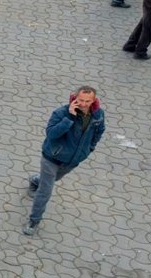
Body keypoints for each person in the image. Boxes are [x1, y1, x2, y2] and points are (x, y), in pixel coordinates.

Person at [23, 87, 106, 236]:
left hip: (73, 160)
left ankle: (35, 180)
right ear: (74, 98)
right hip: (52, 158)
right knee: (45, 191)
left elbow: (100, 131)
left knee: (50, 181)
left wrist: (90, 148)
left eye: (88, 101)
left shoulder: (98, 114)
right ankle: (34, 220)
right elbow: (51, 133)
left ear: (94, 100)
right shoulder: (61, 112)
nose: (84, 104)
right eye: (80, 100)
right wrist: (70, 118)